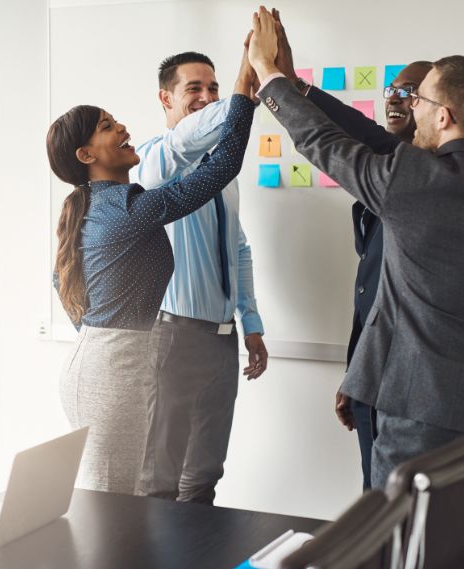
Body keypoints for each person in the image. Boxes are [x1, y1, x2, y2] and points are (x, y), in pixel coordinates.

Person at [248, 7, 464, 568]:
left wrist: (269, 78)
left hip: (413, 409)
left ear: (444, 115)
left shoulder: (409, 179)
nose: (409, 106)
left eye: (419, 98)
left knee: (402, 550)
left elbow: (322, 143)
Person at [46, 46, 257, 495]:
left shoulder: (115, 204)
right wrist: (244, 87)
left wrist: (96, 333)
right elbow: (222, 163)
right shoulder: (130, 202)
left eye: (114, 119)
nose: (122, 127)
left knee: (128, 500)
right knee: (118, 502)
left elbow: (60, 277)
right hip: (113, 368)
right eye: (107, 127)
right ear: (87, 155)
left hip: (117, 358)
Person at [267, 9, 431, 489]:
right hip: (371, 377)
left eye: (410, 92)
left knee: (399, 518)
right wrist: (356, 373)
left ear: (442, 108)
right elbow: (373, 294)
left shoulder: (428, 175)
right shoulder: (388, 174)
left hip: (409, 391)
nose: (395, 99)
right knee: (374, 505)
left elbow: (339, 134)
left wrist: (279, 82)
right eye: (392, 91)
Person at [131, 51, 268, 505]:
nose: (207, 98)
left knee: (206, 471)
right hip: (172, 337)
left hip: (220, 339)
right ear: (164, 98)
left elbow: (239, 247)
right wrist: (244, 88)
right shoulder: (153, 162)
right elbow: (184, 143)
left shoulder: (222, 172)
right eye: (194, 89)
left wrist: (251, 323)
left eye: (213, 88)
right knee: (161, 475)